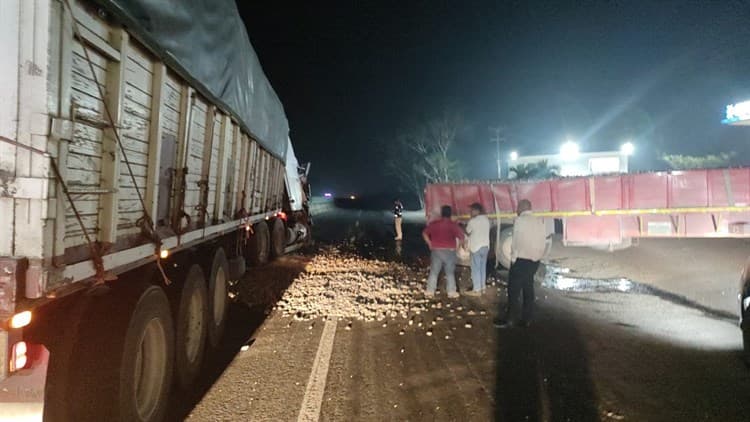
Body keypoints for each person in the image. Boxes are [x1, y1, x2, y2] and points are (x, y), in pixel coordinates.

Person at [495, 199, 546, 328]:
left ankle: (510, 320)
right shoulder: (539, 221)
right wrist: (538, 257)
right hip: (534, 261)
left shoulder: (520, 221)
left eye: (517, 207)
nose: (516, 210)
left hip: (521, 261)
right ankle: (527, 319)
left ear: (522, 208)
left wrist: (513, 260)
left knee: (514, 290)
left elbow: (516, 242)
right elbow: (542, 241)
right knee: (528, 288)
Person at [422, 205, 465, 299]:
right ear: (450, 214)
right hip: (450, 251)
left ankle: (430, 291)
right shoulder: (453, 225)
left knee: (434, 272)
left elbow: (424, 233)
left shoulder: (435, 224)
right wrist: (458, 247)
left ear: (441, 214)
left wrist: (429, 243)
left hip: (436, 250)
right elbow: (462, 237)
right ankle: (451, 292)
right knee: (450, 272)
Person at [464, 202, 491, 296]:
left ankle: (476, 290)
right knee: (482, 267)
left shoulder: (473, 221)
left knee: (475, 268)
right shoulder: (486, 220)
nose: (470, 212)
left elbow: (467, 231)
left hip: (476, 247)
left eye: (471, 210)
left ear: (476, 211)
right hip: (485, 247)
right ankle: (482, 287)